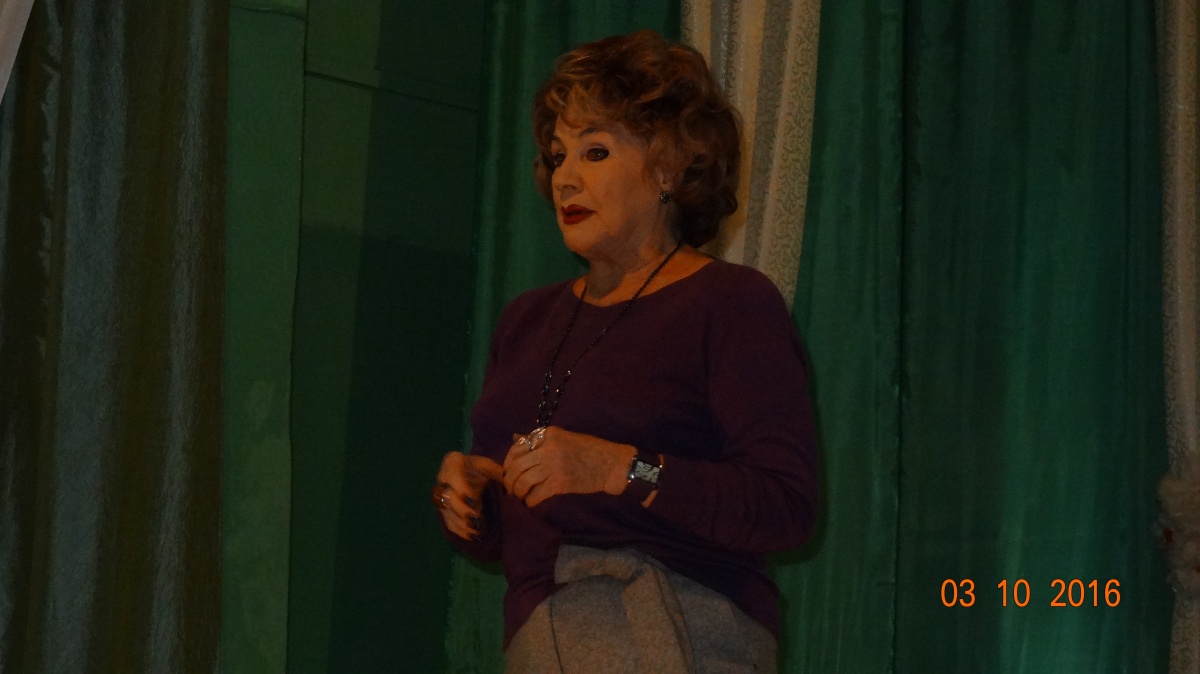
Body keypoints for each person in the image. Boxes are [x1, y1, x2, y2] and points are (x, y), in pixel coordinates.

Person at [432, 30, 818, 673]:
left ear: (668, 167)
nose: (565, 178)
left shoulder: (730, 303)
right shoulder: (525, 320)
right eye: (558, 156)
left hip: (679, 632)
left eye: (595, 151)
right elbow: (516, 531)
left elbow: (785, 508)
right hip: (542, 641)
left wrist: (620, 468)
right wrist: (474, 496)